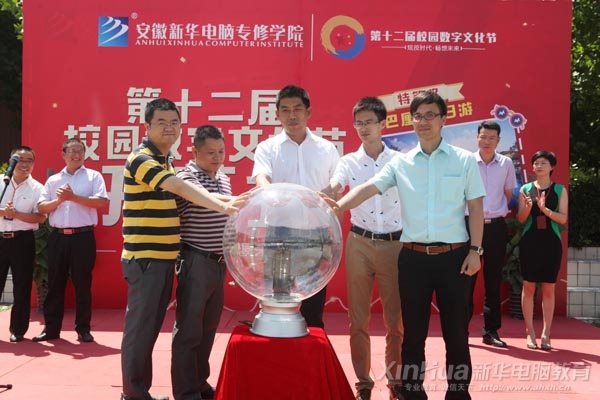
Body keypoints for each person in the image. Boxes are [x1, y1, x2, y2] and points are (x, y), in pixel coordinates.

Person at [326, 91, 485, 400]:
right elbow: (367, 189)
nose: (423, 122)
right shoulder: (402, 163)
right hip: (412, 259)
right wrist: (336, 207)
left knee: (456, 333)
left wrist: (475, 250)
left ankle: (458, 392)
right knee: (412, 334)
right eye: (418, 116)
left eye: (430, 115)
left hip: (454, 258)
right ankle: (412, 392)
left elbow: (476, 208)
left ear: (443, 119)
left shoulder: (464, 160)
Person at [120, 98, 246, 400]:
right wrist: (224, 205)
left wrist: (232, 202)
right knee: (141, 330)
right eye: (161, 122)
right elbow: (179, 188)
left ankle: (142, 391)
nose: (169, 128)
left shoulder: (167, 161)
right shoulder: (141, 159)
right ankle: (134, 394)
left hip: (163, 258)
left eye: (174, 122)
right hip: (145, 257)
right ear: (147, 126)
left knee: (151, 329)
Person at [325, 97, 403, 400]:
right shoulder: (348, 162)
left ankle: (396, 381)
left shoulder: (399, 160)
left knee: (396, 320)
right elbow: (335, 186)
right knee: (358, 318)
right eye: (359, 123)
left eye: (369, 122)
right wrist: (321, 196)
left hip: (395, 243)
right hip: (359, 242)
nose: (364, 128)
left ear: (383, 124)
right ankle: (363, 383)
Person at [251, 84, 339, 328]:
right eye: (285, 110)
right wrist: (268, 192)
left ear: (308, 112)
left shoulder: (326, 148)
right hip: (279, 233)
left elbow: (336, 183)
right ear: (277, 114)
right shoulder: (268, 147)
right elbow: (261, 177)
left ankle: (312, 346)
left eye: (297, 109)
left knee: (313, 305)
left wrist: (328, 192)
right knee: (278, 301)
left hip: (316, 233)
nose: (292, 115)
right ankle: (279, 344)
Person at [171, 125, 233, 400]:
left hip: (219, 263)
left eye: (221, 151)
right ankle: (186, 392)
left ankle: (199, 383)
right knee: (189, 329)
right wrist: (238, 201)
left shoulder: (224, 178)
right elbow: (209, 201)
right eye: (210, 153)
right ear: (194, 151)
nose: (217, 157)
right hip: (195, 259)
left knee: (208, 329)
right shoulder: (185, 177)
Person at [33, 138, 109, 343]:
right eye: (73, 151)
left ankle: (83, 329)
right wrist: (60, 200)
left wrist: (72, 197)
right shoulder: (54, 180)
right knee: (55, 283)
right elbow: (41, 207)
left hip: (83, 237)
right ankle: (51, 329)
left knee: (83, 284)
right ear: (63, 154)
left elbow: (101, 201)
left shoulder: (93, 176)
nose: (77, 155)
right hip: (58, 237)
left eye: (80, 151)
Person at [466, 121, 517, 348]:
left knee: (493, 280)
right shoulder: (467, 162)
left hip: (496, 227)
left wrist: (493, 211)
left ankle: (491, 331)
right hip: (469, 226)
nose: (487, 142)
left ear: (498, 140)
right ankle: (461, 329)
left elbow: (508, 193)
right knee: (465, 280)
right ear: (477, 137)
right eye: (483, 137)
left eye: (491, 138)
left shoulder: (506, 163)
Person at [516, 150, 567, 351]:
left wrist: (546, 211)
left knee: (548, 288)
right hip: (530, 242)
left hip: (551, 243)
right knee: (528, 287)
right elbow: (521, 219)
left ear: (551, 167)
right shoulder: (526, 189)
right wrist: (529, 207)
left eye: (544, 163)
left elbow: (563, 218)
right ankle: (529, 332)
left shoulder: (560, 190)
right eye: (536, 163)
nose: (539, 166)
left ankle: (546, 333)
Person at [0, 146, 46, 342]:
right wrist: (3, 212)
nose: (24, 164)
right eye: (20, 160)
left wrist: (16, 214)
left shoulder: (37, 188)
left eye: (29, 161)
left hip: (23, 240)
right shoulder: (1, 182)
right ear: (11, 161)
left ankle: (18, 330)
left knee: (22, 286)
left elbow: (41, 217)